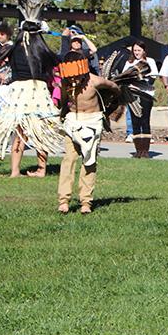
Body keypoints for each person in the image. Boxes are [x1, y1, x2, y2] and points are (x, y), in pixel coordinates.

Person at [0, 0, 62, 178]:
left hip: (19, 91)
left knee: (19, 132)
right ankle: (41, 169)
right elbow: (57, 60)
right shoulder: (41, 49)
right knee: (41, 130)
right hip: (38, 90)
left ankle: (14, 171)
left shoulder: (13, 50)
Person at [57, 52, 120, 214]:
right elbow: (64, 101)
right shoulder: (65, 83)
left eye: (76, 77)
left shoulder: (95, 81)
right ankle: (63, 200)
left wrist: (113, 105)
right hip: (72, 121)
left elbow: (114, 87)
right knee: (68, 159)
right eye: (70, 77)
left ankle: (86, 202)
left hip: (92, 122)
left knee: (89, 161)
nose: (73, 80)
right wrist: (61, 114)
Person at [123, 40, 158, 158]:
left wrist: (141, 79)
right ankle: (138, 150)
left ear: (144, 51)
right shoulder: (129, 63)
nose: (137, 53)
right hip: (132, 95)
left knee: (144, 120)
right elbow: (124, 77)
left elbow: (153, 77)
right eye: (135, 50)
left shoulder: (150, 61)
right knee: (135, 122)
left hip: (145, 94)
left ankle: (145, 150)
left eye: (139, 50)